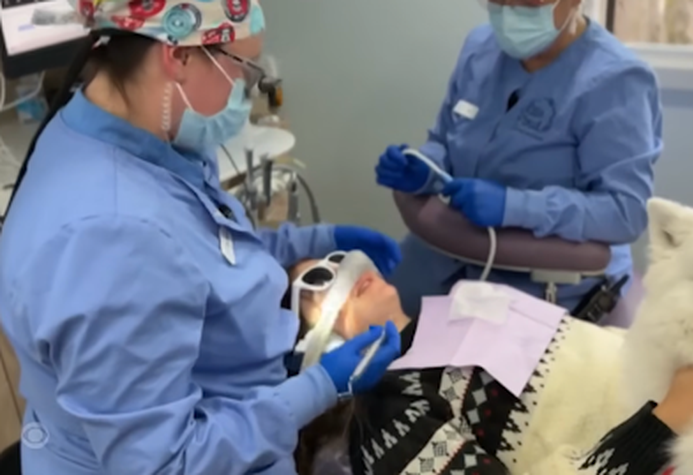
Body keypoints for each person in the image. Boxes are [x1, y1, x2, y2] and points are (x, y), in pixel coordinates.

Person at [0, 2, 401, 474]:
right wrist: (321, 387)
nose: (246, 92)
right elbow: (168, 463)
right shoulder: (110, 236)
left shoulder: (139, 131)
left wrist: (307, 240)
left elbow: (201, 249)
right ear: (180, 56)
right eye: (245, 72)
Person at [284, 257, 693, 475]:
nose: (341, 268)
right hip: (681, 444)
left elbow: (589, 356)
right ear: (312, 346)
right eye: (316, 281)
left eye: (335, 257)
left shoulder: (460, 303)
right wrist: (662, 425)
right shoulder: (386, 418)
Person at [376, 0, 663, 317]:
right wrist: (426, 167)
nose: (510, 15)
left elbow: (624, 212)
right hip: (438, 260)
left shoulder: (617, 81)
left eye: (528, 3)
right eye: (499, 2)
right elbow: (446, 138)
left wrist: (514, 206)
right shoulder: (480, 47)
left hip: (541, 285)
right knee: (363, 336)